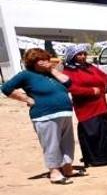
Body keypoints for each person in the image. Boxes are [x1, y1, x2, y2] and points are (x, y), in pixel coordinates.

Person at [1, 48, 79, 184]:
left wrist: (52, 70)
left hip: (64, 113)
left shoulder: (52, 73)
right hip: (45, 115)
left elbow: (68, 82)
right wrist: (25, 98)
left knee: (67, 143)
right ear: (33, 62)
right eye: (41, 60)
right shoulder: (26, 75)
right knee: (51, 144)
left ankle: (67, 168)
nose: (45, 62)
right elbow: (6, 88)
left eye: (46, 59)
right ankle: (54, 172)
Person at [63, 44, 107, 168]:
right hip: (86, 106)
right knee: (92, 132)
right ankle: (95, 159)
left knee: (105, 132)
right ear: (73, 56)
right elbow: (71, 88)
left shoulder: (90, 67)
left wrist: (101, 88)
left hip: (100, 104)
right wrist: (91, 91)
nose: (82, 57)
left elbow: (103, 77)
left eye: (84, 54)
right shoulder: (69, 71)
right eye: (79, 55)